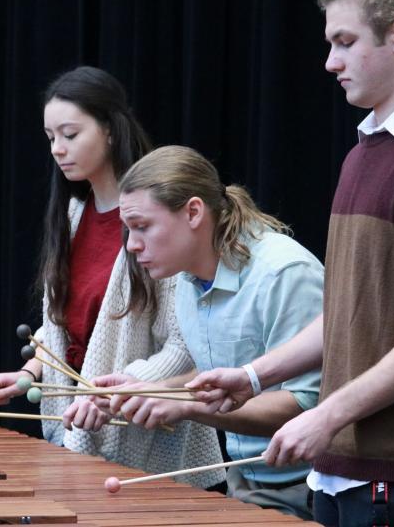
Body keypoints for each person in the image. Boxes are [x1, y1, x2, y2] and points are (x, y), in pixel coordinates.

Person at [188, 0, 394, 527]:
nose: (330, 62)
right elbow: (349, 315)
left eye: (345, 41)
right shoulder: (365, 154)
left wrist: (327, 414)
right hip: (346, 474)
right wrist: (255, 377)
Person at [0, 66, 225, 490]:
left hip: (154, 461)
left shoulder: (158, 222)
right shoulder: (73, 218)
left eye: (70, 134)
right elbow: (73, 327)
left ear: (110, 130)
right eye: (50, 138)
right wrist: (32, 371)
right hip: (76, 440)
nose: (58, 149)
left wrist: (123, 388)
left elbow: (188, 343)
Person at [95, 144, 323, 519]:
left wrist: (186, 407)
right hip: (246, 480)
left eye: (142, 227)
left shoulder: (284, 274)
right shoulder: (187, 278)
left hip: (308, 490)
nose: (132, 245)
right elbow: (227, 369)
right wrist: (149, 387)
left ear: (194, 212)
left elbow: (307, 405)